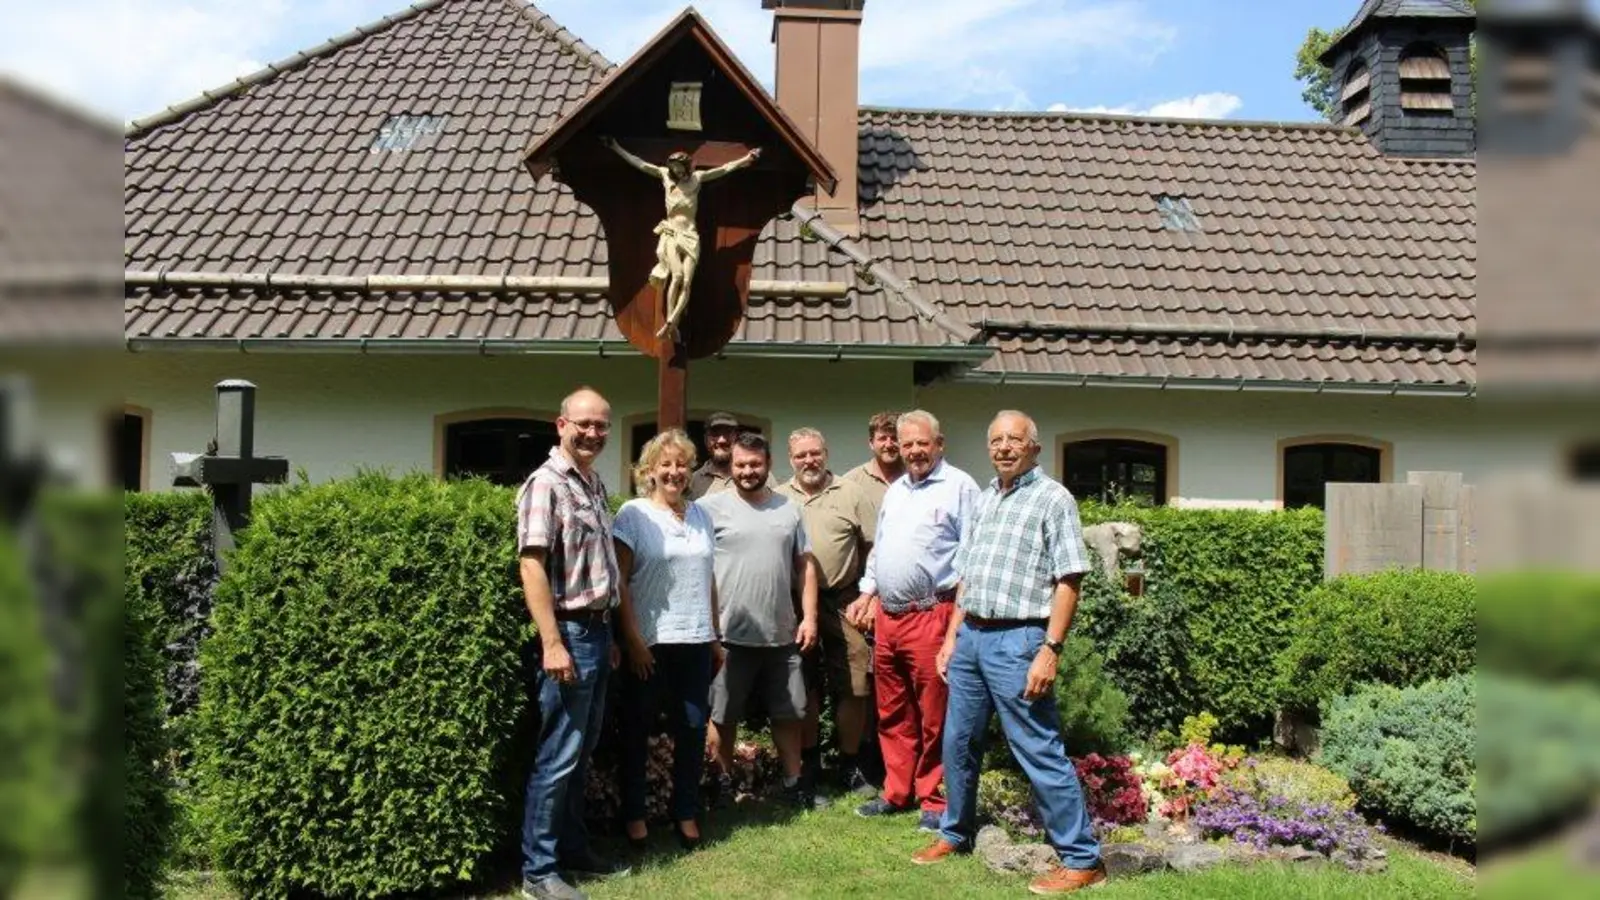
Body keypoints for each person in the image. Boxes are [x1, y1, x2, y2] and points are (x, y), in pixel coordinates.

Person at [912, 410, 1107, 894]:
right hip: (972, 638)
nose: (1003, 447)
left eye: (1014, 439)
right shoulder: (983, 500)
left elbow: (1069, 579)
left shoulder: (1053, 499)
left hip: (1020, 640)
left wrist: (1050, 649)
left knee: (1038, 748)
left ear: (1033, 447)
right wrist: (952, 638)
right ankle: (955, 832)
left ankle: (1082, 859)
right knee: (958, 743)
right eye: (996, 439)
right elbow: (967, 577)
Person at [515, 387, 631, 900]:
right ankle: (538, 871)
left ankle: (574, 850)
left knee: (580, 754)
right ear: (560, 424)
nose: (593, 433)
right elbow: (531, 566)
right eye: (583, 423)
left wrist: (608, 634)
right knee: (558, 756)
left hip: (596, 633)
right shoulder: (546, 484)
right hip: (569, 634)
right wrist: (552, 642)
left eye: (601, 425)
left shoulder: (592, 482)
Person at [846, 410, 980, 832]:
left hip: (932, 614)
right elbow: (880, 549)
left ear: (939, 444)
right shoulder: (898, 490)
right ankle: (897, 791)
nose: (915, 451)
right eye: (908, 445)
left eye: (923, 443)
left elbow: (971, 558)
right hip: (888, 618)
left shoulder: (960, 487)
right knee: (892, 711)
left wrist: (956, 624)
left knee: (935, 714)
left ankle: (935, 800)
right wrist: (867, 591)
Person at [699, 432, 824, 809]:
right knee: (722, 715)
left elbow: (805, 566)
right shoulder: (707, 508)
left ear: (769, 464)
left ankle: (793, 783)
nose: (747, 471)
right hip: (727, 636)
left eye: (755, 464)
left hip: (781, 634)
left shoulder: (790, 509)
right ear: (731, 466)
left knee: (789, 714)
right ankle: (721, 785)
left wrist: (810, 618)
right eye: (740, 465)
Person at [612, 429, 721, 853]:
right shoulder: (633, 514)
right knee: (637, 728)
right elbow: (620, 581)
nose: (674, 472)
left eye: (681, 464)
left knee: (691, 729)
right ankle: (635, 815)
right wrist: (633, 640)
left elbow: (708, 580)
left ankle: (685, 812)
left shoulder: (701, 515)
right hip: (651, 643)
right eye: (666, 464)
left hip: (695, 640)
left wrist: (714, 637)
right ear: (650, 470)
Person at [776, 428, 878, 797]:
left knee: (856, 680)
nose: (809, 461)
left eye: (815, 453)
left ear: (826, 453)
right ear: (791, 459)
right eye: (801, 455)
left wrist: (869, 594)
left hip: (843, 599)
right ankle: (809, 764)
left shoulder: (851, 493)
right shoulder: (778, 498)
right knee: (802, 684)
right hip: (793, 603)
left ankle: (849, 763)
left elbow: (873, 547)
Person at [599, 136, 762, 341]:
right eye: (673, 168)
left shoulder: (697, 179)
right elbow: (640, 164)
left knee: (686, 282)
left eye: (679, 167)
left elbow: (724, 169)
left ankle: (672, 322)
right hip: (672, 234)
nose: (676, 171)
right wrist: (616, 147)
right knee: (675, 277)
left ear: (685, 166)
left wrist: (746, 159)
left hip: (691, 236)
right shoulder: (665, 177)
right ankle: (671, 322)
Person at [840, 411, 904, 515]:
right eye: (882, 439)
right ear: (871, 443)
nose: (888, 445)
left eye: (894, 438)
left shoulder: (915, 478)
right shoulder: (851, 482)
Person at [686, 412, 742, 500]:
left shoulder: (753, 477)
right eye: (715, 434)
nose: (722, 440)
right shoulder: (692, 482)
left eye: (728, 433)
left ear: (737, 438)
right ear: (706, 440)